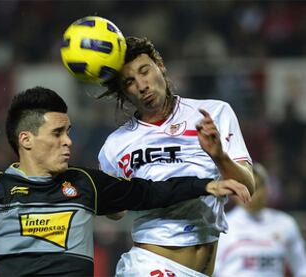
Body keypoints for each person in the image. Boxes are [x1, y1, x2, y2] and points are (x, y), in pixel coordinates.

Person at [0, 86, 251, 276]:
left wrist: (204, 185)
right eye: (57, 133)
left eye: (68, 132)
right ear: (26, 140)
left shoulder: (85, 185)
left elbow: (146, 193)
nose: (68, 141)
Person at [99, 37, 256, 276]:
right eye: (130, 82)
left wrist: (219, 157)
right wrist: (106, 193)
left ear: (159, 65)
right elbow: (115, 213)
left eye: (145, 71)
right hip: (151, 265)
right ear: (123, 91)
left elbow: (248, 187)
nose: (142, 86)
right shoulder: (115, 145)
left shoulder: (214, 113)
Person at [214, 163, 306, 277]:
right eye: (243, 188)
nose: (250, 194)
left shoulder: (285, 224)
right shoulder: (221, 226)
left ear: (267, 189)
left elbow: (301, 269)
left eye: (255, 187)